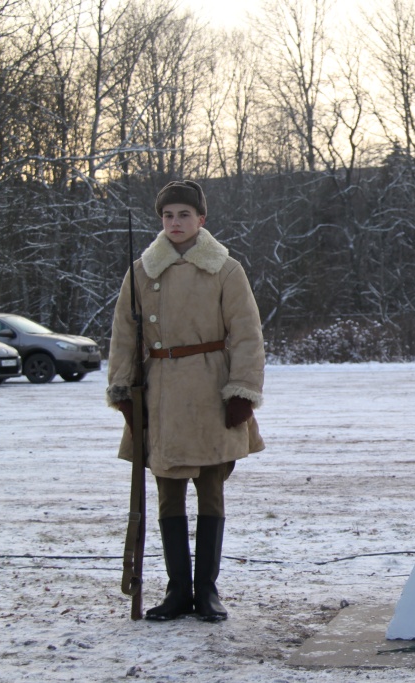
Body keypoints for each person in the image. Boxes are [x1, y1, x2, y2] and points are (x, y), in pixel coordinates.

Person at [107, 180, 265, 622]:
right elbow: (123, 336)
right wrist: (123, 391)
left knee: (211, 490)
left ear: (201, 219)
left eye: (183, 215)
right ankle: (178, 591)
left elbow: (248, 335)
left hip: (212, 391)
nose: (175, 223)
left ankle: (207, 593)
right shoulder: (141, 271)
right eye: (168, 216)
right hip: (160, 395)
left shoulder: (225, 269)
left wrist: (242, 392)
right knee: (167, 491)